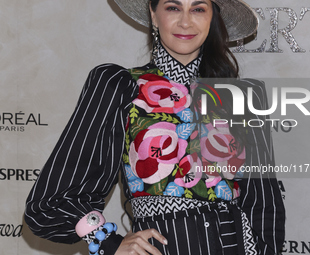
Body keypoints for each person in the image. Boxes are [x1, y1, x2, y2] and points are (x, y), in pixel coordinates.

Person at [25, 0, 285, 254]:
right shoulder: (121, 87)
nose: (185, 21)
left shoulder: (244, 97)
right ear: (153, 14)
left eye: (198, 9)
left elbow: (264, 206)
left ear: (211, 18)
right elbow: (51, 203)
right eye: (173, 7)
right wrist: (108, 243)